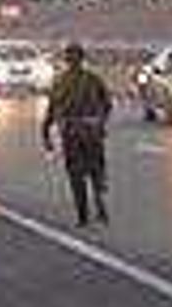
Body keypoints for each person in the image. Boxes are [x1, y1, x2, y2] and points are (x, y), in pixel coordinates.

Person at [41, 42, 116, 224]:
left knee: (76, 175)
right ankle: (99, 197)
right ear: (83, 59)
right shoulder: (93, 79)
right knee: (96, 169)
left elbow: (51, 111)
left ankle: (83, 215)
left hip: (71, 133)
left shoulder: (60, 81)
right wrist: (100, 122)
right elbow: (107, 104)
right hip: (91, 131)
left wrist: (46, 136)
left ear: (66, 60)